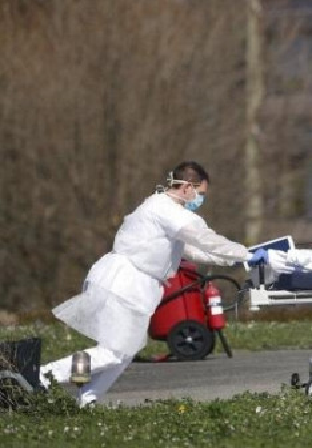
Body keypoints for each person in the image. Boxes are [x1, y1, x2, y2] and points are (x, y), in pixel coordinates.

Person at [39, 161, 268, 407]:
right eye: (200, 193)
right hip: (123, 282)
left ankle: (86, 400)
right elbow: (205, 238)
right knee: (112, 353)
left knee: (124, 352)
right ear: (187, 187)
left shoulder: (163, 209)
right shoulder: (165, 210)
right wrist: (245, 253)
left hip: (131, 284)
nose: (201, 200)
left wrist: (239, 257)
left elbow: (194, 250)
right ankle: (40, 377)